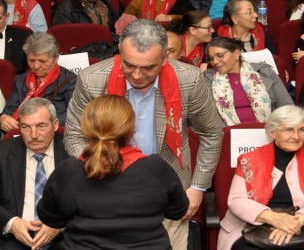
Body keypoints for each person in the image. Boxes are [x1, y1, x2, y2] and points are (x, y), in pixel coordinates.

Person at [64, 19, 223, 249]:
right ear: (119, 52)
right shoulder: (92, 79)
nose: (137, 75)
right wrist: (100, 167)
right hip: (105, 189)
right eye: (129, 65)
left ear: (165, 58)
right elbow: (74, 137)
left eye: (148, 67)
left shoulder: (188, 79)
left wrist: (198, 188)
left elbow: (211, 134)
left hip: (170, 191)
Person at [39, 95, 188, 249]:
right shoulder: (155, 168)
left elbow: (50, 218)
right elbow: (178, 211)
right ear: (131, 129)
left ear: (86, 129)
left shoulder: (68, 171)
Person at [218, 104, 304, 249]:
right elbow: (236, 201)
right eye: (289, 129)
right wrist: (274, 219)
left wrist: (297, 221)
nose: (296, 136)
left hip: (299, 228)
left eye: (301, 130)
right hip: (250, 227)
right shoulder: (249, 159)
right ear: (273, 132)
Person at [0, 98, 66, 249]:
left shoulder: (73, 151)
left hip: (63, 238)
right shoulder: (0, 152)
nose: (34, 134)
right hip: (12, 239)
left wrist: (61, 224)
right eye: (26, 127)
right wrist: (12, 223)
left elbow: (89, 200)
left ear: (55, 125)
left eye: (41, 126)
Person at [203, 37, 292, 126]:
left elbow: (286, 106)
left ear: (236, 53)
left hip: (269, 130)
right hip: (229, 134)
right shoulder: (208, 79)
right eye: (210, 59)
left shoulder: (264, 71)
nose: (214, 62)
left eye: (220, 55)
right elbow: (209, 116)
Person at [0, 33, 76, 134]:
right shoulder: (21, 80)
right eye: (31, 60)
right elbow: (10, 108)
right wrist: (4, 118)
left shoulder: (70, 81)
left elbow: (73, 114)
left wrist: (39, 125)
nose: (36, 66)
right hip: (20, 132)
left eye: (42, 61)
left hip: (54, 133)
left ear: (56, 58)